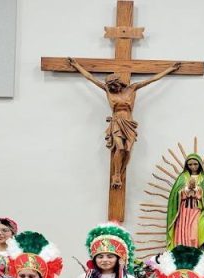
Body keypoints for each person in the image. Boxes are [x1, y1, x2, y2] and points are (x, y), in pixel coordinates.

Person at [66, 57, 181, 191]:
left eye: (113, 85)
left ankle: (120, 173)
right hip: (116, 122)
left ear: (119, 83)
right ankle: (116, 175)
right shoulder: (108, 90)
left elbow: (152, 80)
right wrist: (77, 66)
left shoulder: (132, 88)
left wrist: (169, 69)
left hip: (128, 122)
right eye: (110, 86)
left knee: (127, 149)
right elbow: (90, 78)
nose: (112, 88)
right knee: (119, 147)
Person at [166, 154, 204, 255]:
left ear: (200, 164)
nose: (193, 167)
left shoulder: (203, 179)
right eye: (190, 164)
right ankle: (183, 253)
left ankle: (196, 253)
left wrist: (198, 190)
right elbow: (174, 195)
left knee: (194, 233)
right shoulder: (182, 177)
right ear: (187, 165)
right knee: (183, 232)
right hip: (184, 211)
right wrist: (185, 190)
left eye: (195, 164)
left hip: (196, 209)